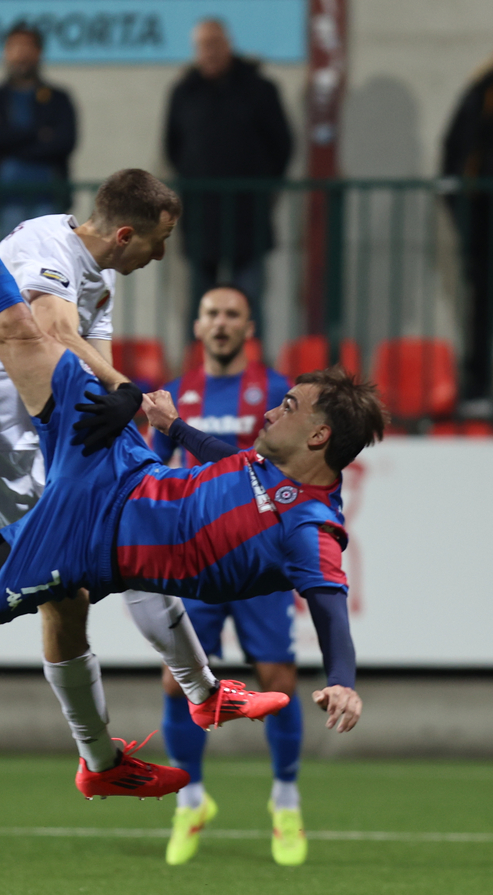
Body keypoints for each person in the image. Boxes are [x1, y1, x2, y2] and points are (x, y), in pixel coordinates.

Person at [0, 141, 381, 802]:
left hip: (83, 543)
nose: (274, 408)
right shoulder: (269, 462)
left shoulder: (311, 527)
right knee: (12, 326)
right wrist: (168, 427)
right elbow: (232, 461)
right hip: (113, 461)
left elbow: (331, 606)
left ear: (320, 435)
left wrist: (343, 677)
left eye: (290, 405)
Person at [0, 170, 286, 786]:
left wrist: (120, 399)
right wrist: (128, 392)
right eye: (158, 241)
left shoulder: (104, 276)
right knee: (67, 598)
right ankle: (99, 759)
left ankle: (197, 698)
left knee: (131, 548)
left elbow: (91, 360)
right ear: (123, 234)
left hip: (33, 451)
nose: (163, 254)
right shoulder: (45, 247)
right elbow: (55, 331)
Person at [145, 286, 306, 866]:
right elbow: (156, 474)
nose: (220, 323)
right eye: (211, 312)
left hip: (261, 559)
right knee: (177, 682)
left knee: (278, 677)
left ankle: (284, 802)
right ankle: (191, 801)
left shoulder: (278, 392)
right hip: (194, 558)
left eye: (232, 313)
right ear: (196, 324)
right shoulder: (174, 395)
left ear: (249, 325)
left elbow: (274, 470)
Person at [164, 18, 292, 328]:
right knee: (202, 307)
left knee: (247, 304)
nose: (209, 53)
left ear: (228, 46)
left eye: (215, 45)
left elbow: (282, 145)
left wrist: (262, 188)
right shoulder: (184, 92)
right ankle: (199, 373)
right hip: (200, 218)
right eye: (203, 46)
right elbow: (173, 147)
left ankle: (253, 372)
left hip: (248, 216)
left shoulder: (259, 89)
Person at [0, 23, 77, 239]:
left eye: (27, 46)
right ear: (5, 52)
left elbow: (64, 142)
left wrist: (11, 142)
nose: (21, 54)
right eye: (15, 46)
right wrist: (38, 134)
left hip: (49, 200)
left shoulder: (59, 99)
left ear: (39, 52)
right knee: (10, 266)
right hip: (4, 200)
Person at [442, 52, 493, 419]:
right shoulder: (482, 91)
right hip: (485, 222)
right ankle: (477, 389)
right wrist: (461, 213)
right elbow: (454, 155)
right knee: (483, 307)